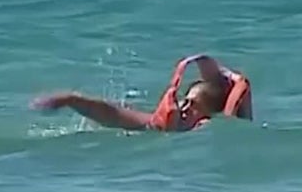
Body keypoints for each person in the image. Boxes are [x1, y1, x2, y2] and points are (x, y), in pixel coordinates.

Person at [31, 53, 253, 132]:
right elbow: (112, 114)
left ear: (208, 115)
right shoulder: (159, 126)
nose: (184, 107)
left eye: (194, 105)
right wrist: (70, 99)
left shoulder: (214, 127)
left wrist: (231, 78)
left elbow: (236, 106)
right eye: (184, 101)